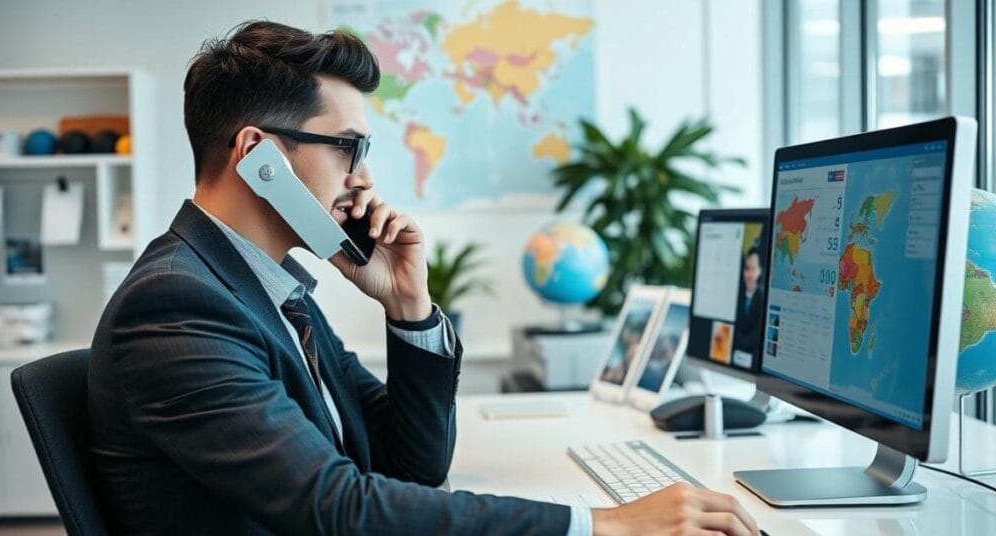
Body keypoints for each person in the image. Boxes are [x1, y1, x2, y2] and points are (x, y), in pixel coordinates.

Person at [88, 20, 760, 535]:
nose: (366, 178)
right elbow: (340, 509)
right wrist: (599, 523)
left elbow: (412, 469)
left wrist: (409, 307)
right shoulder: (179, 306)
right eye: (350, 147)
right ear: (259, 156)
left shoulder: (264, 289)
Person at [734, 245, 765, 355]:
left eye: (753, 269)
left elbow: (757, 336)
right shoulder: (737, 296)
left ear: (760, 271)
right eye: (747, 268)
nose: (749, 274)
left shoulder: (762, 299)